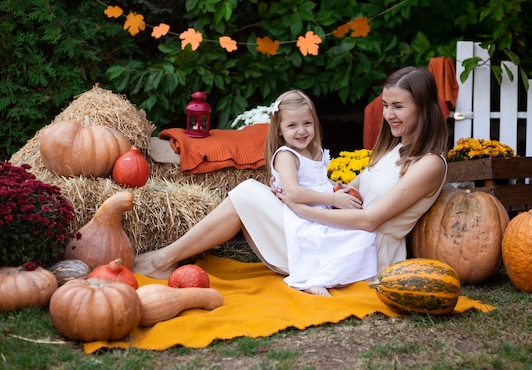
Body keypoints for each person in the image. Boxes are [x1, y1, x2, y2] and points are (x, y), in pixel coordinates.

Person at [134, 66, 448, 289]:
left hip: (363, 255)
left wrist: (301, 208)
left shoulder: (429, 164)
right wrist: (309, 192)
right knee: (255, 194)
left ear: (423, 108)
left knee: (245, 193)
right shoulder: (395, 151)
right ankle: (164, 258)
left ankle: (162, 259)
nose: (389, 114)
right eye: (385, 106)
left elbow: (370, 220)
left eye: (398, 106)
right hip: (340, 237)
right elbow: (352, 192)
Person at [264, 89, 377, 296]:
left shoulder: (312, 151)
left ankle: (341, 275)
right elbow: (295, 192)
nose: (301, 131)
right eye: (292, 125)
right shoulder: (286, 156)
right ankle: (311, 280)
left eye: (307, 123)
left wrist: (337, 187)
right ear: (279, 130)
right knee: (318, 241)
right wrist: (332, 198)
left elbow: (317, 181)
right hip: (302, 215)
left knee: (362, 236)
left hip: (321, 211)